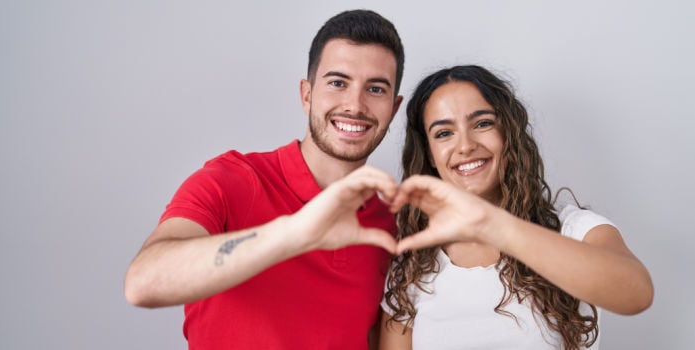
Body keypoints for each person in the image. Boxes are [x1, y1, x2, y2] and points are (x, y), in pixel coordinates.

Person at [124, 9, 405, 349]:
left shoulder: (392, 226)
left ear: (393, 107)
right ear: (306, 94)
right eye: (337, 83)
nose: (354, 104)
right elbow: (143, 283)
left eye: (375, 89)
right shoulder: (231, 180)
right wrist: (295, 233)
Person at [379, 65, 654, 349]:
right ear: (430, 156)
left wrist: (492, 225)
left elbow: (637, 294)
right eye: (444, 133)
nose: (465, 145)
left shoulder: (574, 229)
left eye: (482, 123)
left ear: (508, 133)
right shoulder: (412, 266)